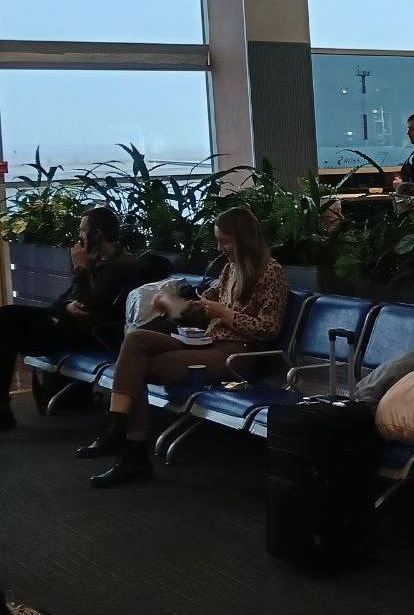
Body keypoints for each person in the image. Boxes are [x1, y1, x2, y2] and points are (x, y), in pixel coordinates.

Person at [76, 207, 288, 487]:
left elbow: (268, 328)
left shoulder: (270, 272)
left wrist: (224, 314)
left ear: (244, 239)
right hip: (208, 343)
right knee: (136, 339)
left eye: (225, 241)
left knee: (138, 367)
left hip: (237, 354)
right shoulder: (229, 270)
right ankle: (118, 428)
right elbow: (201, 309)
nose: (220, 248)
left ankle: (129, 446)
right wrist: (173, 306)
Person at [0, 208, 135, 431]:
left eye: (82, 230)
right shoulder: (96, 260)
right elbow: (67, 300)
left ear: (96, 234)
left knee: (6, 332)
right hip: (67, 320)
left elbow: (88, 304)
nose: (79, 236)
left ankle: (2, 410)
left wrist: (80, 269)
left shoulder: (120, 266)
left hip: (88, 332)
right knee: (6, 315)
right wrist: (66, 306)